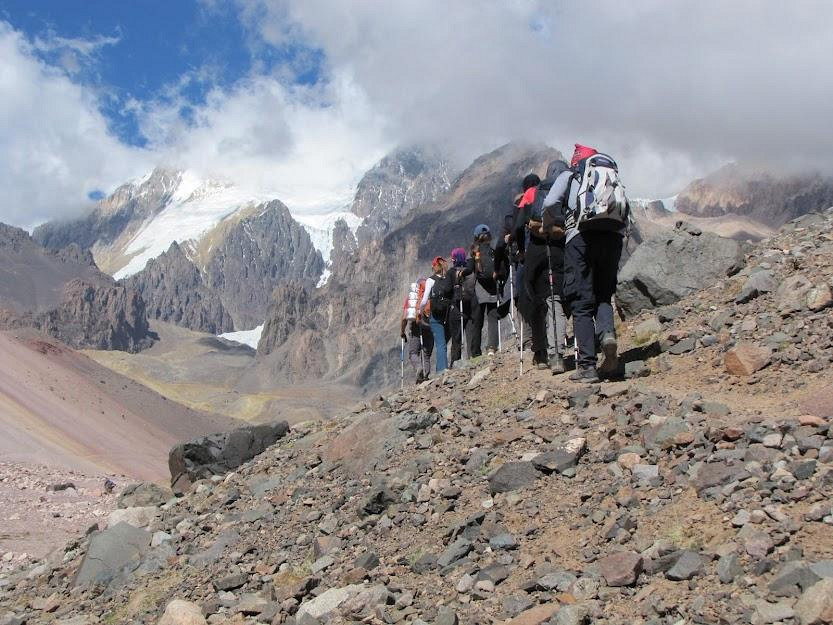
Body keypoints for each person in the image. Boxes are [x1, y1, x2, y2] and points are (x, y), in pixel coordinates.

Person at [542, 144, 628, 382]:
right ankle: (607, 335)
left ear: (575, 160)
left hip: (580, 239)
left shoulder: (570, 175)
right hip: (613, 237)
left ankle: (587, 365)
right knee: (603, 294)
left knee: (581, 301)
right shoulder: (608, 172)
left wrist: (549, 224)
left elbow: (549, 203)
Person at [513, 166, 569, 372]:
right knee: (556, 300)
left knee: (534, 301)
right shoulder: (562, 191)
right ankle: (558, 355)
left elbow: (519, 226)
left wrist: (521, 250)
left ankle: (540, 353)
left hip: (534, 252)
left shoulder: (530, 195)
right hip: (557, 248)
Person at [463, 225, 503, 357]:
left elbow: (469, 269)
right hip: (492, 288)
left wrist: (460, 273)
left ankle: (475, 351)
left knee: (477, 321)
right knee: (492, 317)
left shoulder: (475, 252)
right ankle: (492, 347)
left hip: (479, 291)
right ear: (489, 237)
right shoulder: (493, 252)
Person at [420, 256, 453, 373]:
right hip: (447, 314)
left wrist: (420, 311)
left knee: (440, 344)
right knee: (443, 342)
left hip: (436, 315)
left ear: (435, 266)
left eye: (432, 265)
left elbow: (424, 300)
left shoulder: (431, 280)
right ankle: (442, 367)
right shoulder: (448, 279)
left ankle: (441, 370)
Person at [400, 278, 433, 383]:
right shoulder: (430, 296)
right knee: (426, 354)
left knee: (413, 353)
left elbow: (404, 317)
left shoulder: (412, 299)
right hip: (429, 326)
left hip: (415, 326)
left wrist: (402, 332)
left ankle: (419, 368)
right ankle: (426, 376)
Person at [447, 247, 468, 366]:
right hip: (467, 306)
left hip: (455, 306)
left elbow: (448, 289)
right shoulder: (468, 270)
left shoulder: (451, 272)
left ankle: (455, 361)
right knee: (466, 332)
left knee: (456, 336)